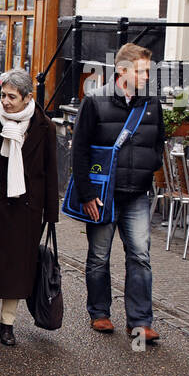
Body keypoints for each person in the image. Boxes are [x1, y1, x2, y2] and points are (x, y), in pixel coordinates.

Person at [70, 42, 164, 344]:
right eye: (142, 71)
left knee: (141, 255)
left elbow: (157, 142)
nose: (147, 77)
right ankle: (99, 312)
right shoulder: (95, 101)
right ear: (122, 71)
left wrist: (151, 167)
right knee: (99, 256)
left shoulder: (151, 103)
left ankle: (140, 321)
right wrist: (86, 195)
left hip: (137, 192)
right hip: (103, 194)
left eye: (148, 71)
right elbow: (79, 151)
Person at [0, 69, 59, 345]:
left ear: (27, 98)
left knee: (20, 266)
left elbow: (50, 171)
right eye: (3, 96)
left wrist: (50, 214)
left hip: (29, 207)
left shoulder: (45, 127)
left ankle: (8, 324)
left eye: (11, 97)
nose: (5, 102)